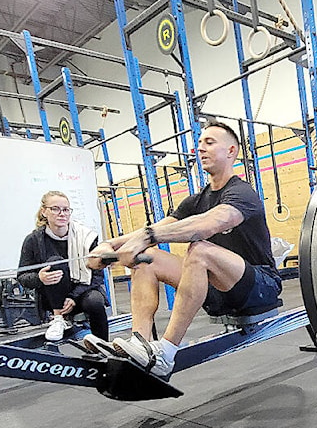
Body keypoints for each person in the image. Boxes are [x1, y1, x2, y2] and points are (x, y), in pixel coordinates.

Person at [87, 120, 282, 377]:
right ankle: (140, 344)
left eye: (210, 143)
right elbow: (157, 228)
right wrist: (108, 246)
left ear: (231, 151)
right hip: (217, 292)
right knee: (147, 258)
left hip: (259, 288)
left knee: (199, 249)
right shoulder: (195, 200)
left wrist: (147, 236)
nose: (201, 148)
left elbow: (209, 224)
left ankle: (166, 353)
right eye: (199, 144)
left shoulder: (243, 193)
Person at [17, 191, 109, 342]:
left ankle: (103, 345)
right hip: (53, 299)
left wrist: (73, 297)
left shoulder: (85, 238)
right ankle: (58, 318)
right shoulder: (33, 240)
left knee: (95, 302)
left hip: (81, 292)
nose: (62, 214)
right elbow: (22, 276)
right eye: (55, 209)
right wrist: (39, 278)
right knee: (55, 262)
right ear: (44, 212)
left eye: (66, 209)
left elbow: (97, 275)